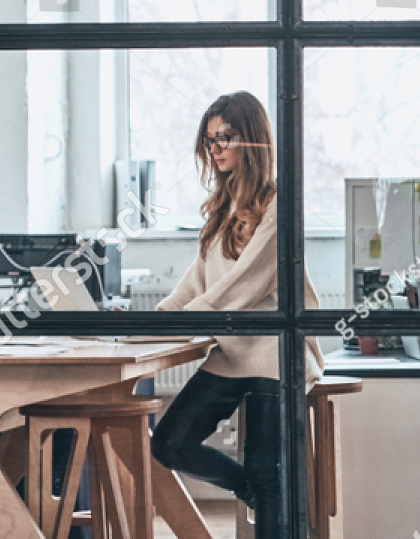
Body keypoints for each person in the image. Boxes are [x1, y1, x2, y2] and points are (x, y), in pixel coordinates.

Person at [150, 91, 326, 539]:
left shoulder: (278, 205)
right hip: (232, 353)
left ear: (251, 139)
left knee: (268, 473)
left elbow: (243, 286)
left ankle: (264, 492)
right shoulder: (223, 208)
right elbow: (197, 282)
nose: (216, 149)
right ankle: (252, 489)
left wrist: (188, 319)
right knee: (170, 443)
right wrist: (149, 321)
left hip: (273, 353)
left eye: (224, 137)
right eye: (210, 141)